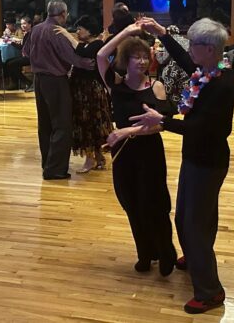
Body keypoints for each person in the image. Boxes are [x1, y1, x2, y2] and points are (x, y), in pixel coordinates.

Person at [132, 17, 234, 314]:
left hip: (208, 160)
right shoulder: (208, 72)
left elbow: (200, 128)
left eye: (195, 44)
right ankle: (194, 258)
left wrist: (161, 121)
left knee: (193, 224)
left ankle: (210, 291)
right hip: (198, 158)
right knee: (192, 218)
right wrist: (163, 34)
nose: (189, 48)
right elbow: (183, 59)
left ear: (211, 49)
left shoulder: (220, 85)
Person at [97, 22, 177, 277]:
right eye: (136, 57)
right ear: (126, 60)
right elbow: (100, 55)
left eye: (145, 56)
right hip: (124, 154)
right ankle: (145, 252)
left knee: (154, 204)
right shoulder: (117, 87)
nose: (142, 62)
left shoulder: (156, 87)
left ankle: (166, 252)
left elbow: (161, 126)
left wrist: (126, 132)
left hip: (149, 151)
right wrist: (128, 32)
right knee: (131, 203)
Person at [23, 0, 94, 180]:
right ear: (63, 14)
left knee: (45, 124)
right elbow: (73, 58)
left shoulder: (36, 29)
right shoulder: (57, 32)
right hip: (55, 80)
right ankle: (55, 170)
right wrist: (92, 64)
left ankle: (47, 164)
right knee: (62, 125)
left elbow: (25, 52)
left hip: (38, 80)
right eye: (66, 14)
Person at [56, 15, 113, 173]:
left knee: (88, 123)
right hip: (84, 89)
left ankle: (90, 160)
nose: (78, 31)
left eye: (80, 29)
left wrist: (67, 35)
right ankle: (98, 158)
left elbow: (84, 52)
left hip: (88, 91)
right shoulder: (90, 43)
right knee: (91, 123)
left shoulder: (96, 44)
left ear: (90, 31)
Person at [5, 16, 33, 91]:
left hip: (31, 57)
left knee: (11, 64)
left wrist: (11, 42)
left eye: (24, 23)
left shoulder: (31, 33)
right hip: (27, 55)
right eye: (21, 24)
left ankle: (29, 83)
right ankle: (15, 83)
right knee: (8, 61)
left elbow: (22, 47)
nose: (22, 26)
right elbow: (23, 46)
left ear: (30, 24)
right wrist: (11, 42)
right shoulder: (26, 33)